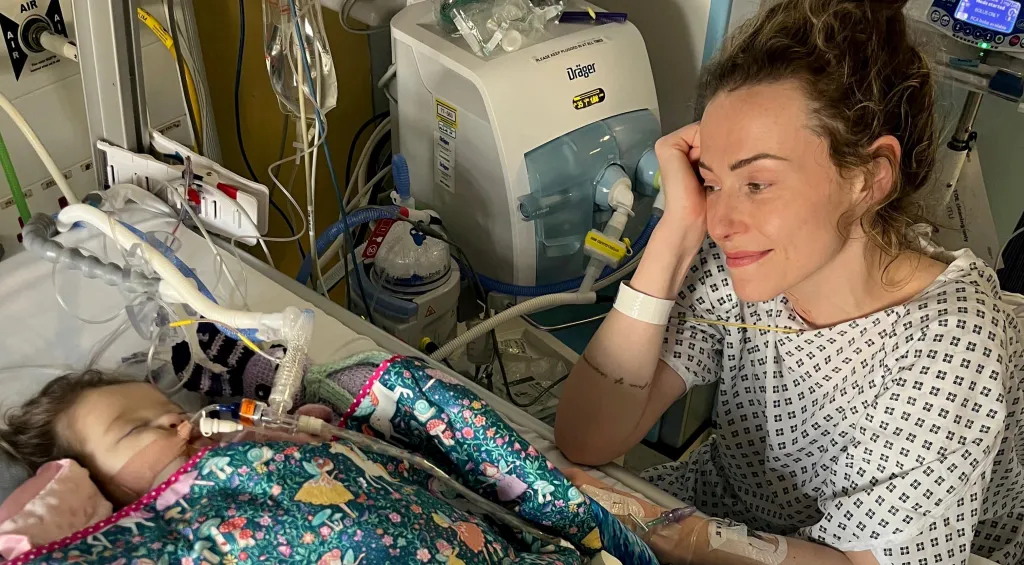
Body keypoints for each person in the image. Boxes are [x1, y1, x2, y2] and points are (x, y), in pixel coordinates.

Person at [554, 1, 1024, 564]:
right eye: (711, 183)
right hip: (724, 523)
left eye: (757, 183)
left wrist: (671, 532)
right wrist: (677, 231)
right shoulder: (736, 260)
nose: (723, 223)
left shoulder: (950, 340)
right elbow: (588, 437)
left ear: (869, 177)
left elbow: (863, 562)